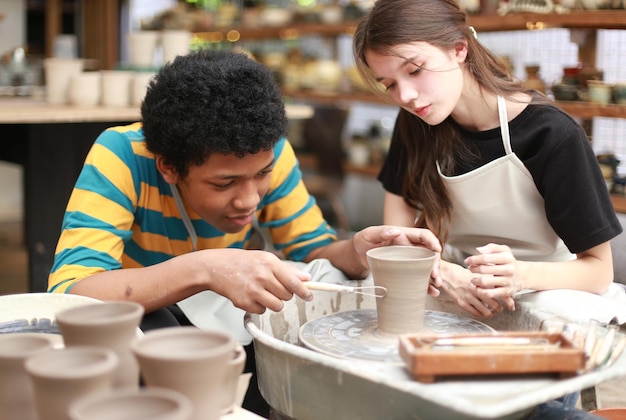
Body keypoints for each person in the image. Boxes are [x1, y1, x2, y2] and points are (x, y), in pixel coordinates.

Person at [47, 49, 442, 416]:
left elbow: (313, 249)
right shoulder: (123, 156)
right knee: (159, 341)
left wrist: (355, 250)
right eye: (224, 183)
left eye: (262, 176)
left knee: (327, 283)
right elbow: (70, 291)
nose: (249, 200)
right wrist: (204, 268)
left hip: (221, 313)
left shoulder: (269, 152)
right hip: (146, 315)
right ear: (168, 167)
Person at [353, 0, 621, 417]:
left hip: (543, 297)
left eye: (415, 69)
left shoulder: (550, 133)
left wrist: (520, 275)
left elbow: (599, 269)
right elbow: (397, 239)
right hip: (457, 292)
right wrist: (441, 272)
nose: (405, 96)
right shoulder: (416, 125)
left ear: (459, 49)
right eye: (388, 83)